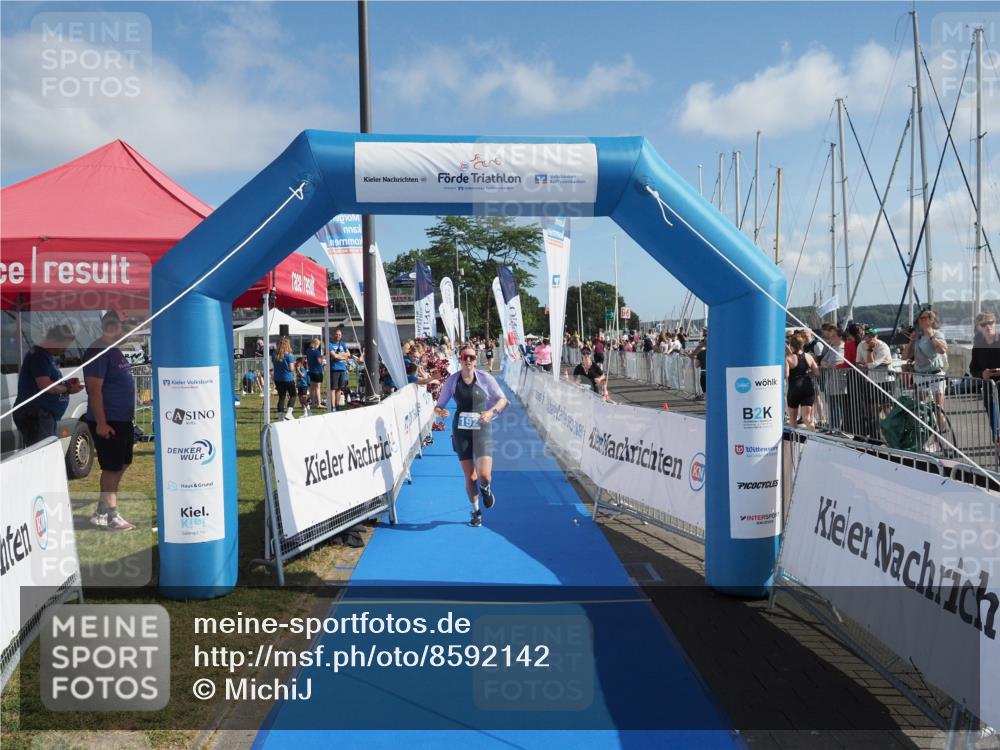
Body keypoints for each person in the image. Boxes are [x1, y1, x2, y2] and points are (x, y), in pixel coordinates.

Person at [434, 344, 508, 527]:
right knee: (470, 476)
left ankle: (486, 487)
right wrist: (440, 412)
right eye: (465, 357)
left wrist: (491, 412)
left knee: (484, 475)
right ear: (460, 359)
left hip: (482, 428)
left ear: (476, 360)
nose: (468, 360)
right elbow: (438, 405)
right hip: (461, 431)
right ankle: (476, 512)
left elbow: (503, 399)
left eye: (472, 358)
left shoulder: (485, 378)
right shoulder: (452, 381)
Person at [83, 311, 136, 530]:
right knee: (112, 467)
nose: (128, 332)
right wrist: (102, 422)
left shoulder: (113, 350)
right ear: (113, 327)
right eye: (125, 327)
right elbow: (94, 391)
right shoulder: (98, 351)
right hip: (109, 419)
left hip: (122, 419)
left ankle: (101, 511)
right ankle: (111, 515)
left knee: (122, 463)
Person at [13, 325, 84, 446]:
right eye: (64, 345)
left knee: (46, 452)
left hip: (42, 415)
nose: (65, 349)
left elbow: (49, 381)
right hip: (36, 415)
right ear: (55, 341)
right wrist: (68, 388)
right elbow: (45, 385)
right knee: (42, 454)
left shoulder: (45, 356)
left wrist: (65, 383)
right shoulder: (39, 356)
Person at [903, 309, 949, 423]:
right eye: (920, 318)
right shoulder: (917, 337)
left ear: (931, 320)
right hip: (920, 375)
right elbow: (904, 357)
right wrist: (911, 341)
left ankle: (940, 438)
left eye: (924, 318)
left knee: (939, 408)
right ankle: (926, 436)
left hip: (935, 375)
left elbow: (942, 350)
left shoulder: (937, 334)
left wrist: (931, 336)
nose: (920, 321)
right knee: (921, 409)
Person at [855, 327, 893, 440]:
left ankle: (893, 432)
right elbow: (858, 362)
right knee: (872, 409)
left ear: (877, 336)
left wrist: (870, 350)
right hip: (871, 380)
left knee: (887, 407)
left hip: (886, 380)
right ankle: (875, 435)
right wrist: (867, 364)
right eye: (867, 335)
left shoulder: (883, 346)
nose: (870, 338)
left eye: (873, 336)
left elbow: (871, 364)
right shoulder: (861, 345)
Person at [969, 311, 1000, 445]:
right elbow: (972, 368)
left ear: (995, 323)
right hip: (989, 390)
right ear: (979, 327)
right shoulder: (977, 346)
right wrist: (982, 374)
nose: (988, 326)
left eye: (991, 323)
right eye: (984, 324)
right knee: (994, 421)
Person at [786, 332, 819, 429]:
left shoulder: (788, 358)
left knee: (792, 420)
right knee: (807, 418)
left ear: (791, 345)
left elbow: (786, 375)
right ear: (802, 344)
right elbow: (816, 373)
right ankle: (813, 436)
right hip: (807, 387)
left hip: (794, 388)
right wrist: (807, 374)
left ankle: (794, 442)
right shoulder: (809, 357)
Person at [272, 337, 297, 420]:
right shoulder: (289, 355)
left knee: (281, 397)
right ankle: (289, 413)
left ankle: (280, 416)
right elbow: (291, 368)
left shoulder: (274, 355)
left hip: (278, 379)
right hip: (288, 378)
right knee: (293, 395)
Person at [328, 328, 351, 410]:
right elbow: (334, 356)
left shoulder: (343, 344)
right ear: (334, 335)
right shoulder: (330, 344)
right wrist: (343, 356)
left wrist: (340, 355)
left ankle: (337, 405)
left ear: (341, 336)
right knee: (333, 388)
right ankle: (333, 406)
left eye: (339, 335)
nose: (338, 336)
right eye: (337, 334)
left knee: (339, 388)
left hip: (342, 369)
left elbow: (349, 354)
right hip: (334, 369)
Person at [305, 337, 326, 410]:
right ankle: (319, 404)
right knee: (317, 388)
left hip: (311, 370)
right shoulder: (316, 351)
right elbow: (319, 361)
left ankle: (313, 403)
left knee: (312, 387)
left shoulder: (308, 350)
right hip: (317, 371)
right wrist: (322, 358)